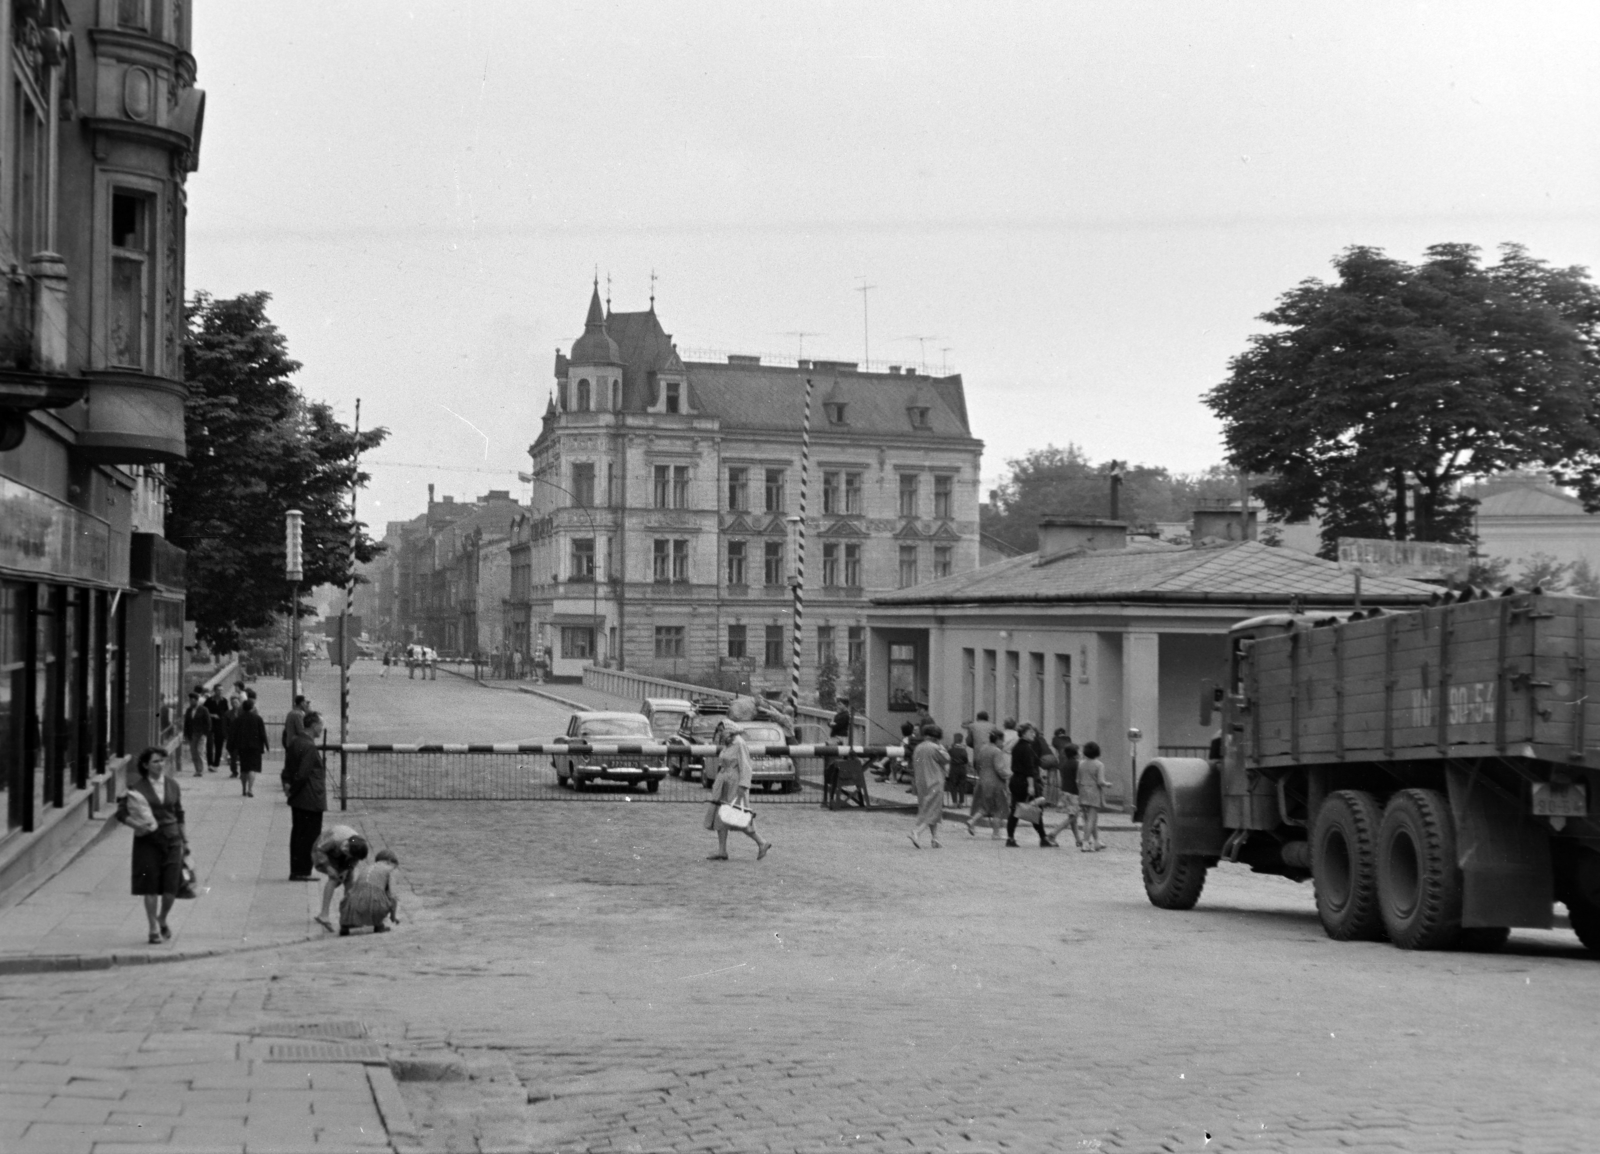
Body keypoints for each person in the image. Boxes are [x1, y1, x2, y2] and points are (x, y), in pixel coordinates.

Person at [122, 747, 187, 944]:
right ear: (145, 765)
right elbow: (121, 813)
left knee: (171, 889)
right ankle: (152, 928)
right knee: (149, 887)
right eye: (156, 762)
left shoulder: (173, 785)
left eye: (162, 761)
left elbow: (179, 813)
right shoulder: (136, 787)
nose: (161, 765)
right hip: (147, 841)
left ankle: (162, 918)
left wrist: (185, 841)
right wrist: (136, 825)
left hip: (172, 840)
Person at [705, 726, 772, 861]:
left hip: (734, 783)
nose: (719, 733)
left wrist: (743, 785)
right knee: (720, 814)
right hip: (723, 782)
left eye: (721, 730)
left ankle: (761, 842)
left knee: (737, 815)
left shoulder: (739, 743)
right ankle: (722, 851)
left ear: (728, 730)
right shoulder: (727, 744)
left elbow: (746, 765)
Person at [283, 710, 328, 881]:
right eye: (321, 725)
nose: (322, 729)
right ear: (314, 725)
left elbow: (288, 767)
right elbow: (302, 774)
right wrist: (293, 789)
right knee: (308, 837)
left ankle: (298, 869)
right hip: (310, 798)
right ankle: (302, 871)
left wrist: (288, 786)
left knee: (298, 835)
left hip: (300, 799)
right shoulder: (309, 746)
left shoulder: (296, 741)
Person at [1006, 723, 1054, 848]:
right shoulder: (1027, 748)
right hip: (1025, 781)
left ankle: (1010, 838)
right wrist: (1031, 786)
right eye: (1031, 732)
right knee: (1035, 810)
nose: (1033, 734)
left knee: (1015, 810)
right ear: (1024, 734)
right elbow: (1029, 769)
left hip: (1015, 780)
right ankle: (1043, 838)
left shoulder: (1017, 746)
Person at [311, 825, 367, 931]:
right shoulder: (334, 839)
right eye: (345, 847)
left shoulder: (357, 846)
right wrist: (328, 867)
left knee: (349, 878)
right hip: (323, 852)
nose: (344, 848)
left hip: (340, 856)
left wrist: (346, 871)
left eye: (347, 851)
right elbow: (319, 850)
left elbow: (353, 862)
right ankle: (324, 915)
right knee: (334, 878)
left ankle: (349, 916)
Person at [908, 723, 950, 848]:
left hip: (921, 782)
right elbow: (946, 759)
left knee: (930, 809)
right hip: (935, 781)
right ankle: (917, 832)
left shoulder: (918, 747)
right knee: (932, 810)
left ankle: (935, 839)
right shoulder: (935, 748)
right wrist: (942, 747)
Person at [341, 849, 401, 935]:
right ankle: (378, 924)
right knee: (383, 898)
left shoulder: (367, 867)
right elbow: (393, 896)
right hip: (374, 904)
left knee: (354, 898)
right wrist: (393, 916)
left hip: (352, 905)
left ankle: (346, 925)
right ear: (390, 861)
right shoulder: (390, 869)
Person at [965, 727, 1010, 838]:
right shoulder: (997, 751)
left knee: (985, 806)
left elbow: (978, 763)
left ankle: (972, 821)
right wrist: (1009, 775)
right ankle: (996, 833)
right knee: (998, 808)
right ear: (998, 740)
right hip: (995, 783)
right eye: (1002, 740)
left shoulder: (983, 748)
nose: (1003, 743)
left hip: (983, 780)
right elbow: (999, 769)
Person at [1045, 730, 1083, 848]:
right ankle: (1053, 833)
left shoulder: (1065, 764)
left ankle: (1078, 840)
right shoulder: (1077, 764)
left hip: (1065, 792)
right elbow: (1078, 780)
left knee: (1072, 818)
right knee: (1073, 817)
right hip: (1074, 794)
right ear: (1076, 754)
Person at [230, 695, 270, 797]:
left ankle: (243, 789)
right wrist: (266, 745)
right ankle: (250, 789)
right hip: (255, 747)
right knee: (252, 768)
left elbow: (233, 734)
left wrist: (231, 746)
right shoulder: (258, 719)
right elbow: (262, 733)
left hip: (242, 747)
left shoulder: (238, 719)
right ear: (252, 707)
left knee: (244, 768)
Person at [1078, 741, 1112, 852]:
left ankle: (1097, 841)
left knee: (1089, 819)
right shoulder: (1099, 765)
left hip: (1083, 791)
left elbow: (1077, 780)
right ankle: (1085, 842)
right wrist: (1107, 784)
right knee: (1092, 819)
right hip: (1094, 793)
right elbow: (1100, 781)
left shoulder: (1081, 764)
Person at [181, 690, 210, 778]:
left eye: (192, 700)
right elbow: (186, 723)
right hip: (192, 734)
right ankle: (197, 769)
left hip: (201, 734)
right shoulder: (189, 710)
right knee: (193, 752)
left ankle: (200, 770)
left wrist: (205, 733)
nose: (190, 702)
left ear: (196, 700)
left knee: (200, 751)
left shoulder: (204, 710)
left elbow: (208, 722)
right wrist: (185, 734)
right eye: (189, 700)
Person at [204, 685, 231, 772]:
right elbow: (204, 712)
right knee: (209, 745)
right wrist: (212, 715)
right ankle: (210, 764)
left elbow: (226, 713)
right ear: (215, 691)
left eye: (222, 690)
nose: (221, 692)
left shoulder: (224, 701)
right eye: (219, 690)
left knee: (219, 745)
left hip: (220, 725)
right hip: (210, 725)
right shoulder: (209, 701)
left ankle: (216, 764)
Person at [945, 730, 971, 807]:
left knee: (953, 785)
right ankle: (961, 802)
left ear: (955, 739)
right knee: (962, 785)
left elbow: (947, 757)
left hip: (954, 768)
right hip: (962, 768)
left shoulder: (951, 749)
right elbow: (966, 760)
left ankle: (954, 802)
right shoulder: (964, 749)